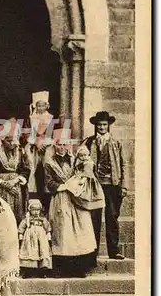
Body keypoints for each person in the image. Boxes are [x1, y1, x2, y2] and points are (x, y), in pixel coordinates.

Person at [45, 130, 97, 278]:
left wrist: (78, 184)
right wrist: (64, 186)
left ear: (69, 145)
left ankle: (77, 268)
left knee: (78, 232)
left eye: (65, 144)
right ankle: (60, 269)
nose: (62, 147)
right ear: (55, 145)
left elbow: (85, 175)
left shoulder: (75, 159)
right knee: (62, 232)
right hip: (61, 198)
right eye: (59, 144)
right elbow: (49, 182)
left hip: (76, 198)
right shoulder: (49, 162)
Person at [82, 111, 128, 260]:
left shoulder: (116, 143)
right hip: (94, 185)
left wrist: (124, 185)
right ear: (96, 126)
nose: (102, 127)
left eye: (104, 125)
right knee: (93, 217)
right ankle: (92, 252)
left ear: (108, 126)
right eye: (99, 125)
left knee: (112, 217)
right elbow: (80, 160)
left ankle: (113, 251)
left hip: (112, 185)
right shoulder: (89, 142)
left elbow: (123, 165)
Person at [0, 118, 30, 225]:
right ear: (2, 140)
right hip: (2, 188)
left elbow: (25, 170)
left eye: (13, 140)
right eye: (8, 140)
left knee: (17, 213)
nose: (11, 143)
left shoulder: (21, 151)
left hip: (17, 186)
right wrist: (6, 185)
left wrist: (15, 181)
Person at [25, 91, 54, 205]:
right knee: (33, 171)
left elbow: (52, 134)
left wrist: (44, 143)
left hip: (47, 147)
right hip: (33, 148)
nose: (41, 108)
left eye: (43, 105)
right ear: (35, 106)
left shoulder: (50, 118)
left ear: (46, 105)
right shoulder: (31, 118)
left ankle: (46, 200)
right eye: (38, 105)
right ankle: (33, 199)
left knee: (47, 170)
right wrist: (36, 142)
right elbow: (27, 133)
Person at [58, 145, 106, 212]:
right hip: (78, 177)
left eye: (85, 155)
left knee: (85, 192)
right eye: (81, 155)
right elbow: (74, 170)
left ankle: (86, 203)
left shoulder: (88, 163)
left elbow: (87, 173)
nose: (84, 157)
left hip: (87, 180)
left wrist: (83, 180)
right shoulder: (78, 161)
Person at [18, 199, 52, 278]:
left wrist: (48, 235)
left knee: (42, 251)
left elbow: (47, 227)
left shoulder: (43, 219)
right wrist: (21, 235)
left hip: (41, 237)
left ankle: (42, 271)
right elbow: (22, 227)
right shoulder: (27, 219)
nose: (36, 212)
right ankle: (29, 270)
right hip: (30, 238)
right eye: (34, 210)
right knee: (30, 251)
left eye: (38, 210)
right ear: (30, 210)